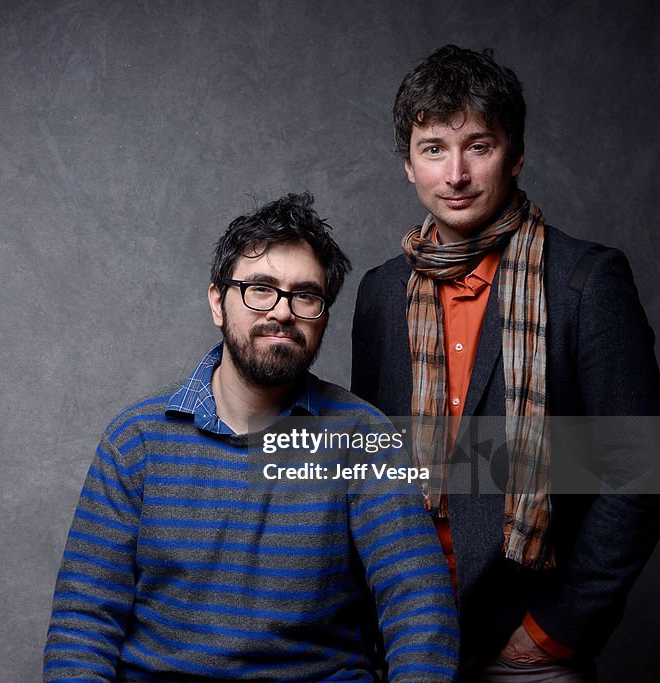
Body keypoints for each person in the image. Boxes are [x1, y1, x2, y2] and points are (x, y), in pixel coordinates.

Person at [44, 192, 459, 682]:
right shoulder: (136, 443)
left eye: (305, 295)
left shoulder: (363, 438)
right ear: (218, 302)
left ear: (322, 315)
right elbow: (82, 628)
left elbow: (419, 609)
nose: (282, 312)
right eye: (260, 288)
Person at [351, 44, 660, 681]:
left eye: (479, 146)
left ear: (515, 155)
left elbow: (640, 469)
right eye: (433, 148)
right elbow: (373, 472)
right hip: (402, 632)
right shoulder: (381, 293)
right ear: (409, 166)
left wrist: (555, 632)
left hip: (526, 636)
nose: (455, 174)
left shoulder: (585, 282)